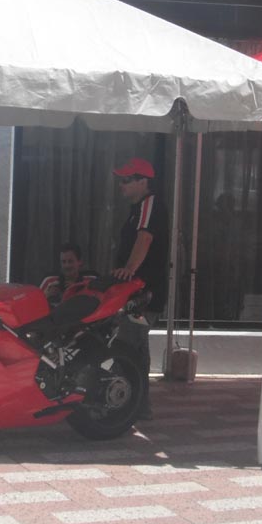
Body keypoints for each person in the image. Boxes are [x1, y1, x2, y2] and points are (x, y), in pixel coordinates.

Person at [111, 156, 167, 420]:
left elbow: (144, 238)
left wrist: (129, 270)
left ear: (143, 182)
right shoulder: (139, 208)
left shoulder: (149, 204)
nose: (121, 185)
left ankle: (131, 403)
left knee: (128, 345)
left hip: (143, 292)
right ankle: (139, 404)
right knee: (136, 347)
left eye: (126, 180)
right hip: (139, 291)